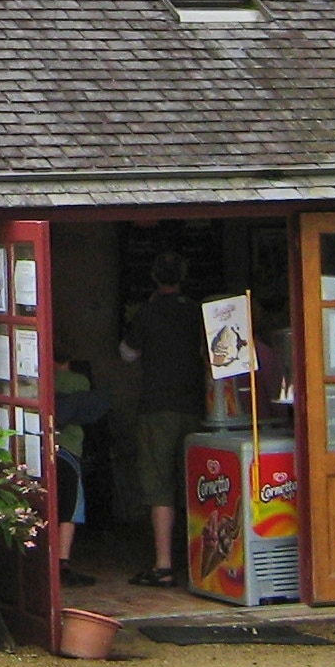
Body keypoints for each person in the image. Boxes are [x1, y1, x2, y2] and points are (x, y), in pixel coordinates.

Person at [120, 251, 202, 588]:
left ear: (154, 277)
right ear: (184, 275)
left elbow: (127, 353)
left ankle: (164, 564)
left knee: (159, 485)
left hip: (157, 406)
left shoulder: (147, 313)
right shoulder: (197, 312)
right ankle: (203, 561)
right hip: (196, 405)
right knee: (199, 483)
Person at [51, 359, 108, 588]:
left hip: (38, 447)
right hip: (68, 451)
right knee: (70, 508)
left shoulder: (37, 379)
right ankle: (62, 562)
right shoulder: (78, 381)